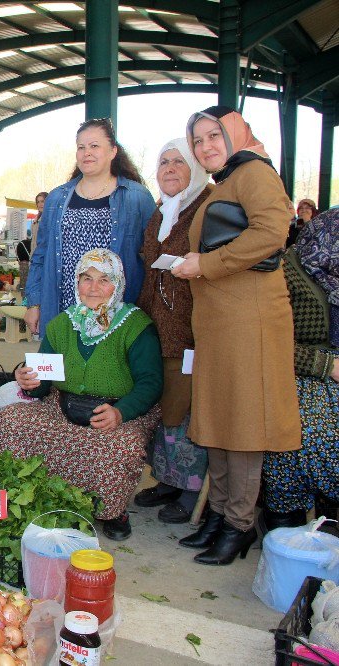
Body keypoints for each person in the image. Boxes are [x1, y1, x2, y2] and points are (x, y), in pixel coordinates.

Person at [171, 106, 300, 565]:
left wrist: (204, 264)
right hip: (223, 321)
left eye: (213, 135)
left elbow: (272, 231)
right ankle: (220, 514)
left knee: (245, 421)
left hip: (251, 320)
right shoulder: (226, 181)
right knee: (221, 417)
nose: (206, 146)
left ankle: (239, 524)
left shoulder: (255, 173)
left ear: (235, 135)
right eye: (198, 139)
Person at [0, 249, 163, 540]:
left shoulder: (135, 326)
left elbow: (150, 383)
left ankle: (112, 510)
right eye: (87, 279)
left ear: (118, 284)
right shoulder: (63, 323)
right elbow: (45, 378)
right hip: (64, 406)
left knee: (121, 445)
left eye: (104, 280)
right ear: (77, 282)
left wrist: (120, 412)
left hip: (116, 412)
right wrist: (28, 379)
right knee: (12, 419)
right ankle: (35, 493)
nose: (94, 288)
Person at [132, 138, 213, 524]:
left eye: (178, 161)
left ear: (195, 166)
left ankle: (189, 487)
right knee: (162, 403)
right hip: (156, 325)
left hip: (192, 328)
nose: (169, 168)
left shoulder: (206, 206)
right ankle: (165, 479)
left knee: (187, 407)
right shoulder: (160, 211)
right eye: (163, 162)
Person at [24, 118, 155, 336]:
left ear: (113, 151)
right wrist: (33, 303)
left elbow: (152, 256)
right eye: (81, 147)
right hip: (62, 308)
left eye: (95, 146)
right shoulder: (57, 197)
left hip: (115, 313)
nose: (87, 153)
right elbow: (41, 255)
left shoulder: (137, 197)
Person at [261, 212, 339, 530]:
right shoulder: (290, 271)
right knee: (303, 433)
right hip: (302, 370)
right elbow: (269, 340)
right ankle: (287, 519)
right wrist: (327, 365)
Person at [30, 191, 48, 256]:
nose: (40, 204)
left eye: (42, 201)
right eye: (38, 202)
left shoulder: (51, 220)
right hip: (35, 257)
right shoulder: (35, 221)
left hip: (45, 257)